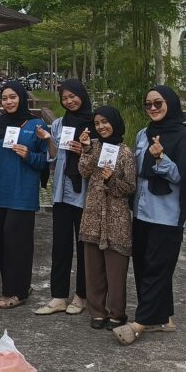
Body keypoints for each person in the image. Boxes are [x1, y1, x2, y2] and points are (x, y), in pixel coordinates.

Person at [113, 85, 186, 346]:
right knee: (142, 265)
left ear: (170, 104)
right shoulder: (144, 133)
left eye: (158, 103)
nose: (152, 108)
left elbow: (182, 176)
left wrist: (161, 158)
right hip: (141, 211)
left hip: (166, 215)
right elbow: (137, 168)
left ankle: (141, 322)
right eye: (148, 104)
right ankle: (163, 318)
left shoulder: (184, 139)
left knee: (157, 268)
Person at [0, 80, 48, 309]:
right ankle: (13, 287)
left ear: (21, 98)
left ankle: (16, 293)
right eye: (5, 98)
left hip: (23, 194)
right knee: (3, 244)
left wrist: (28, 155)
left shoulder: (36, 124)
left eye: (13, 97)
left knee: (18, 245)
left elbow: (45, 161)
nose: (8, 102)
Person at [33, 79, 96, 316]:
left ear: (82, 95)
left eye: (73, 96)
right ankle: (58, 296)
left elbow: (102, 158)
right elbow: (54, 155)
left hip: (85, 194)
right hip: (61, 192)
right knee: (60, 245)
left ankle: (81, 295)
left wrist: (86, 150)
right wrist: (48, 139)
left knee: (84, 247)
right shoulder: (60, 123)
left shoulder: (95, 123)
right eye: (65, 98)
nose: (69, 101)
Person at [77, 106, 136, 330]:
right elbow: (84, 171)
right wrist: (86, 148)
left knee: (116, 270)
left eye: (105, 122)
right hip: (93, 215)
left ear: (115, 122)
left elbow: (130, 187)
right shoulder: (94, 147)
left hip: (116, 218)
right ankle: (97, 312)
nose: (101, 127)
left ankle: (116, 313)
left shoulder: (126, 153)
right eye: (97, 123)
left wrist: (111, 180)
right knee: (93, 268)